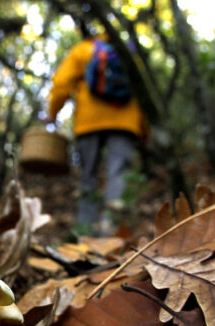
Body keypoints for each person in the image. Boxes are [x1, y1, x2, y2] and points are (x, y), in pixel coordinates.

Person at [46, 32, 148, 236]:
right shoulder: (129, 54)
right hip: (125, 122)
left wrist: (52, 112)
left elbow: (62, 83)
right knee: (118, 174)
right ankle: (111, 232)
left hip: (88, 122)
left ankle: (85, 232)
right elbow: (143, 92)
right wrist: (144, 129)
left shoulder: (83, 49)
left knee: (88, 176)